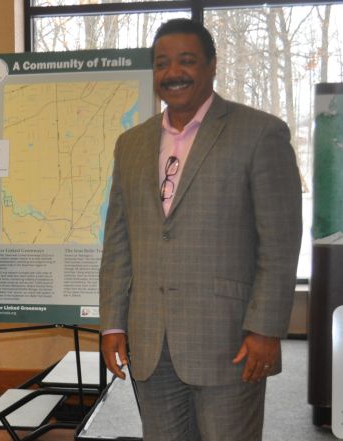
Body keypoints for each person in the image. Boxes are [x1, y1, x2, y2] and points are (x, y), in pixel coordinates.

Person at [99, 18, 302, 441]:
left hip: (230, 342)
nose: (173, 73)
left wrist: (265, 328)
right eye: (161, 63)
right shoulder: (131, 144)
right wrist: (113, 324)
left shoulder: (260, 133)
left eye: (186, 61)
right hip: (151, 341)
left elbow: (279, 243)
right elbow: (119, 242)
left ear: (212, 66)